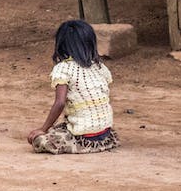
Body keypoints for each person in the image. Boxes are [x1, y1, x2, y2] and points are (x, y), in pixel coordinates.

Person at [27, 20, 118, 154]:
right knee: (62, 127)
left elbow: (60, 103)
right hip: (106, 134)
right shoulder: (99, 67)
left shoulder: (63, 69)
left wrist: (43, 129)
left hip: (83, 137)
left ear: (62, 44)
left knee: (41, 140)